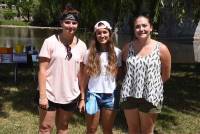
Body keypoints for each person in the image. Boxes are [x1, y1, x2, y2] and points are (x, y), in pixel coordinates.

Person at [37, 5, 87, 134]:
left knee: (63, 128)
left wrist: (82, 97)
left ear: (78, 24)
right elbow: (42, 70)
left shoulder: (82, 46)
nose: (71, 25)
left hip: (70, 95)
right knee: (45, 128)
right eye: (67, 22)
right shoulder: (49, 42)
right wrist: (43, 96)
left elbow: (82, 74)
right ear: (61, 23)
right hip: (49, 93)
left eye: (74, 23)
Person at [120, 11, 171, 134]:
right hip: (129, 94)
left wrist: (152, 85)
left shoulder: (162, 49)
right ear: (134, 29)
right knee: (133, 130)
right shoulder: (127, 48)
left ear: (151, 28)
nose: (141, 29)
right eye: (137, 26)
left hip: (151, 96)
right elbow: (126, 70)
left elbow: (166, 74)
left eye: (144, 25)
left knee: (147, 131)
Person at [80, 20, 122, 134]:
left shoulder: (117, 52)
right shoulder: (88, 53)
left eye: (105, 32)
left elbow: (120, 75)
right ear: (95, 35)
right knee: (91, 129)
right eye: (99, 33)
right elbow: (84, 78)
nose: (102, 35)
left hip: (111, 96)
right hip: (93, 95)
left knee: (107, 129)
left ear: (110, 33)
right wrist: (83, 98)